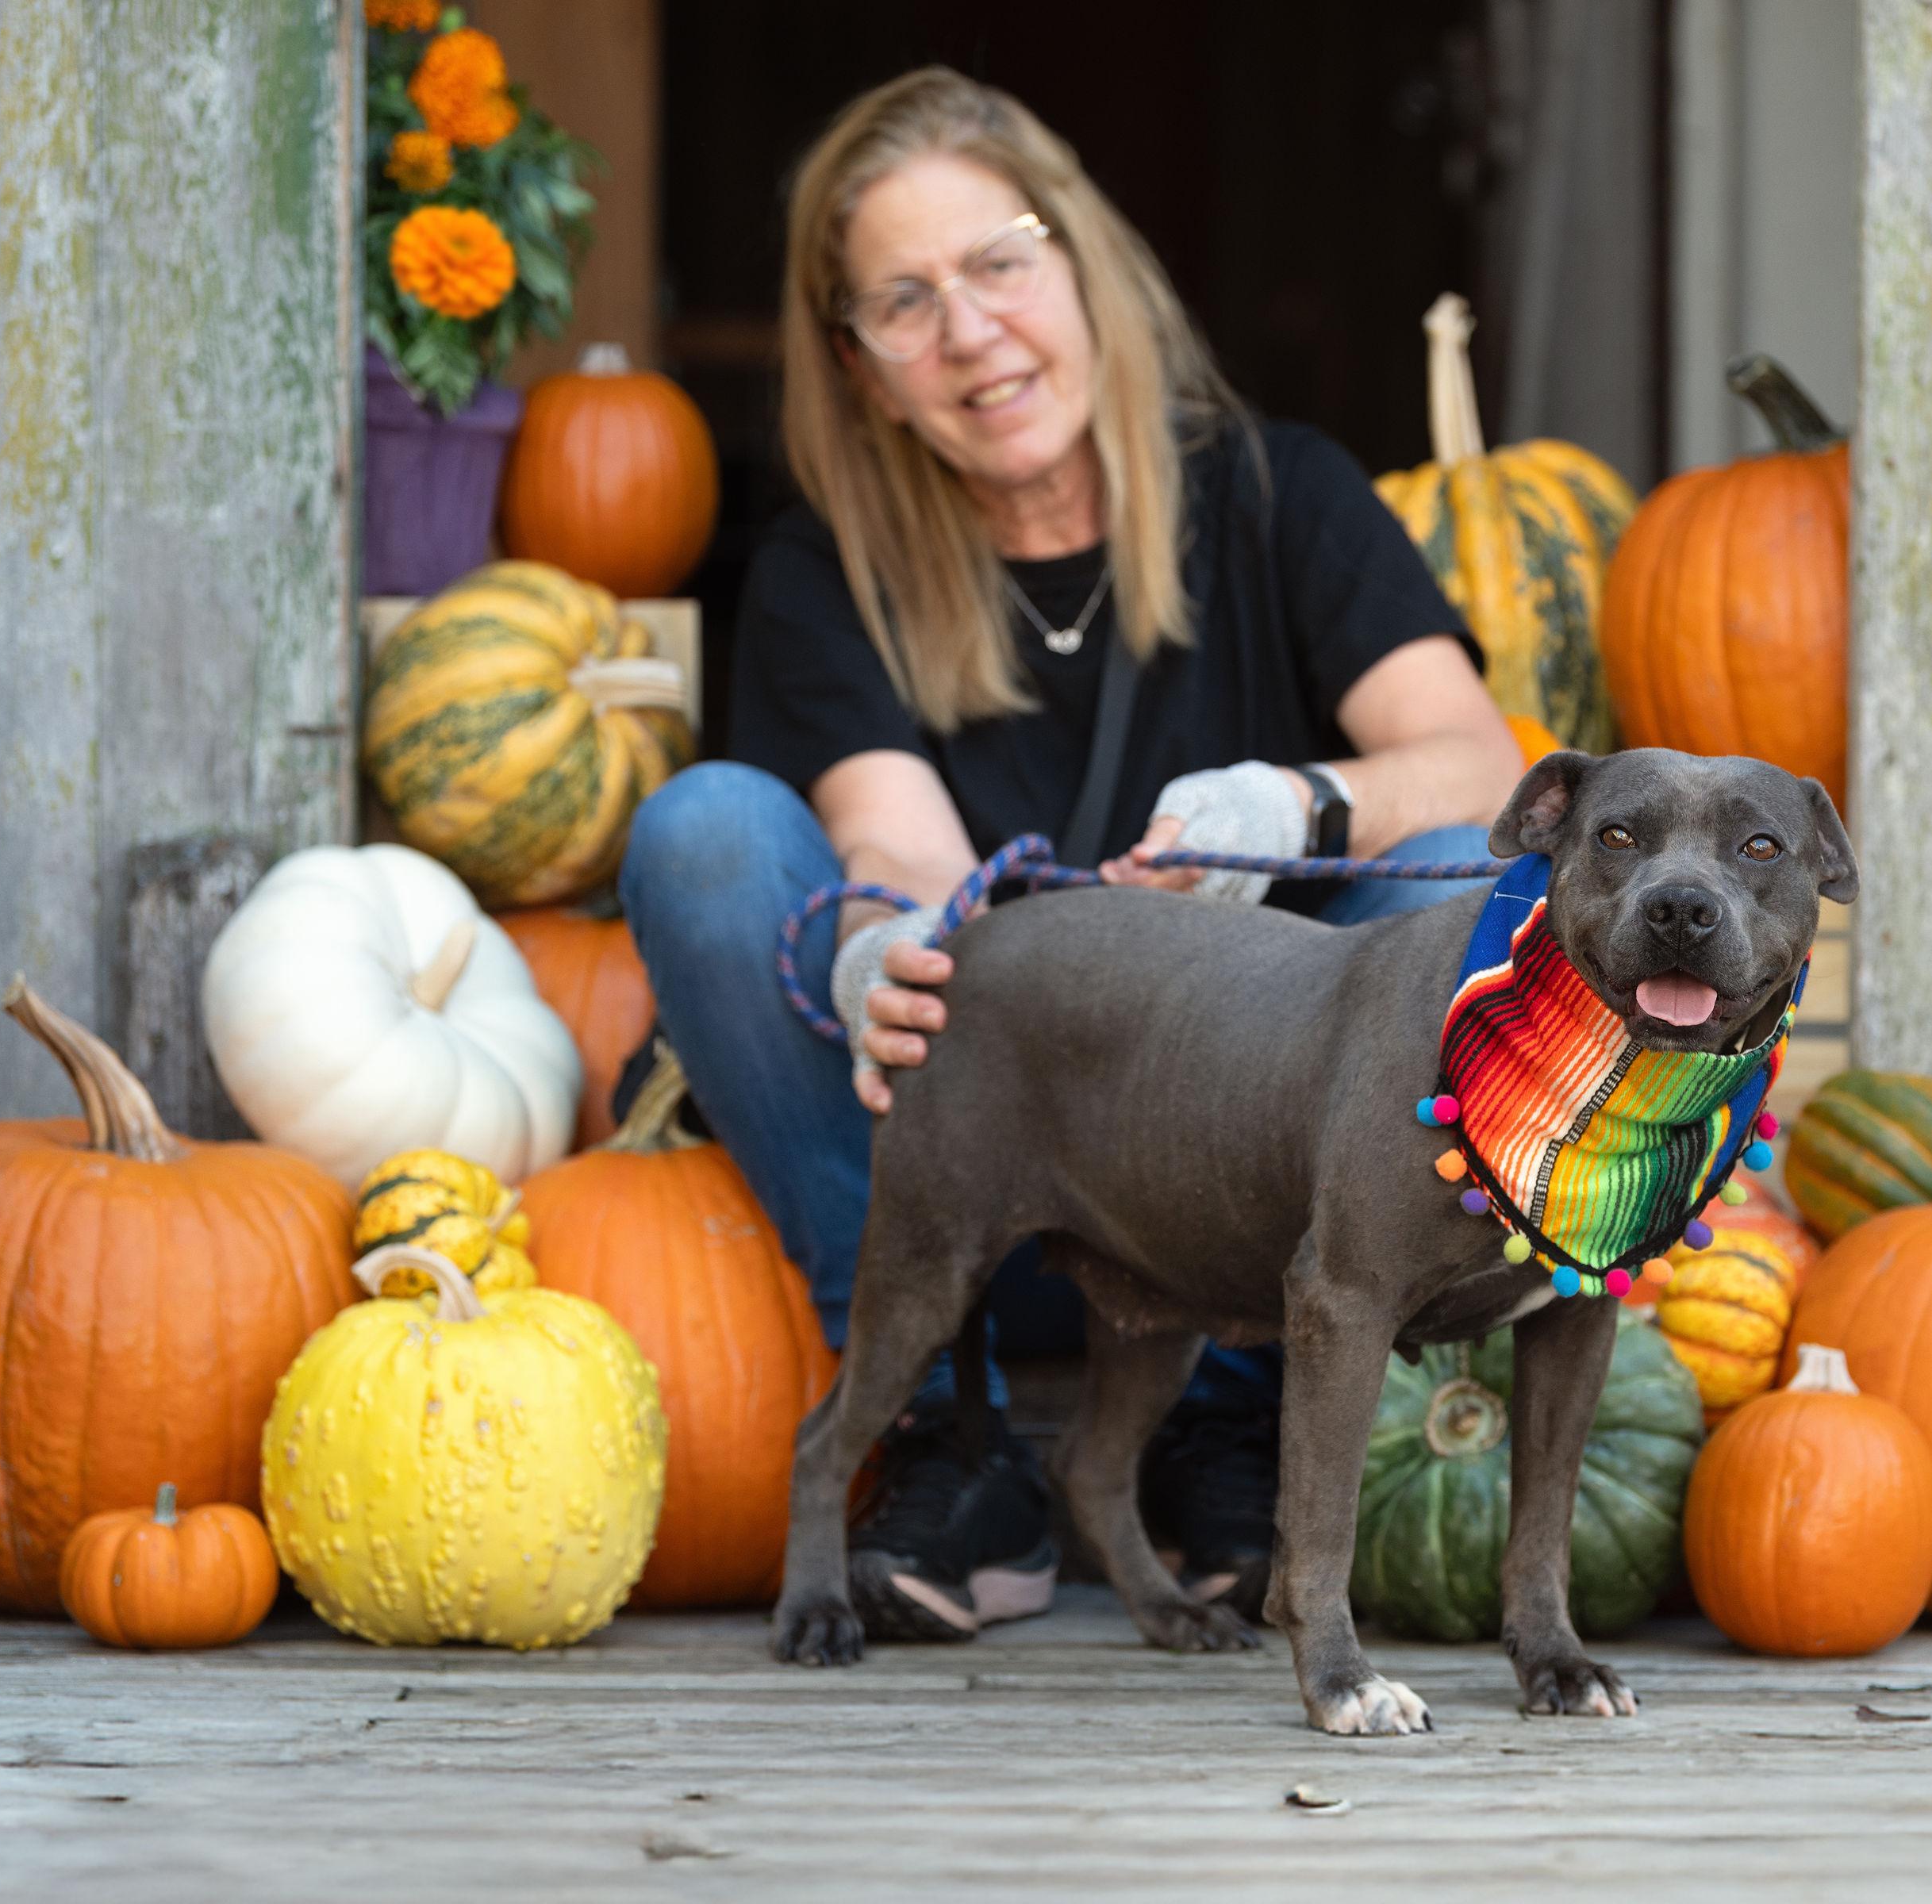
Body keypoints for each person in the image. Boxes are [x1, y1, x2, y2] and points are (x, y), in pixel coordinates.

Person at [617, 67, 1523, 1643]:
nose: (966, 330)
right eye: (903, 304)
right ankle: (939, 1414)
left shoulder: (1276, 494)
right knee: (702, 834)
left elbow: (1486, 767)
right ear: (858, 366)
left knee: (1438, 848)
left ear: (1083, 260)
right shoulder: (828, 571)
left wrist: (1293, 809)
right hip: (968, 1174)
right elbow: (892, 845)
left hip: (1256, 1210)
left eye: (997, 262)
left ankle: (1240, 1416)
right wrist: (878, 950)